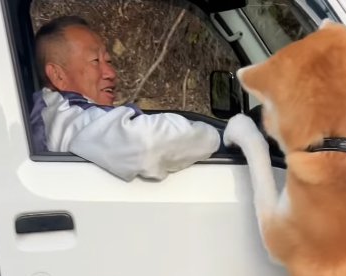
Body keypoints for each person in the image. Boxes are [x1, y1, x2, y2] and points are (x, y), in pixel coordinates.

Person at [30, 15, 222, 181]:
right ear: (58, 76)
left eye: (108, 61)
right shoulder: (71, 118)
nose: (111, 73)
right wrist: (220, 138)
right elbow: (146, 143)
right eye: (95, 61)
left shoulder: (46, 112)